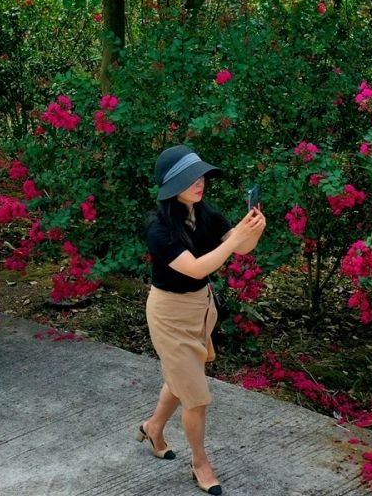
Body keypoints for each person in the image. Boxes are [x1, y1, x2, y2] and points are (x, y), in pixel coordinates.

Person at [138, 145, 265, 495]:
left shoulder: (206, 213)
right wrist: (236, 239)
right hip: (169, 314)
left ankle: (152, 427)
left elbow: (240, 249)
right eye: (189, 179)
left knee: (183, 380)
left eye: (201, 176)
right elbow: (196, 268)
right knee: (196, 396)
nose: (199, 183)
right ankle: (200, 462)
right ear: (170, 186)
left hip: (201, 309)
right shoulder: (159, 228)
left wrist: (251, 230)